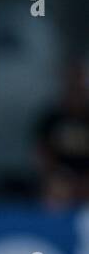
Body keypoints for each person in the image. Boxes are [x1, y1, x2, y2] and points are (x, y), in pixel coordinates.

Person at [32, 60, 89, 206]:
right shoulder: (52, 119)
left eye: (79, 86)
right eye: (72, 87)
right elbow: (41, 153)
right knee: (58, 188)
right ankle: (55, 227)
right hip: (61, 175)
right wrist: (55, 173)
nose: (76, 91)